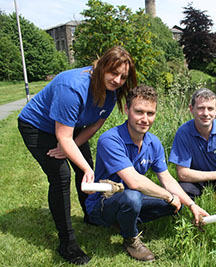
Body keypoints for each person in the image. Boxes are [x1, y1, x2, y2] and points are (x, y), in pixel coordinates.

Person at [18, 46, 136, 265]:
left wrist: (77, 154)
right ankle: (67, 243)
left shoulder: (113, 91)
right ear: (101, 67)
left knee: (84, 167)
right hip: (37, 126)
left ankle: (90, 215)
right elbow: (63, 136)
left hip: (72, 129)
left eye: (123, 77)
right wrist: (83, 165)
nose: (118, 80)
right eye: (114, 73)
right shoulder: (71, 87)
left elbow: (94, 125)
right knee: (61, 175)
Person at [85, 85, 209, 262]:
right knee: (133, 197)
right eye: (139, 112)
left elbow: (166, 178)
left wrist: (190, 205)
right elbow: (134, 182)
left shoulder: (154, 142)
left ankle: (124, 220)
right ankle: (130, 239)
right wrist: (168, 196)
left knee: (178, 203)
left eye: (150, 113)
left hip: (132, 198)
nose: (145, 119)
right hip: (102, 204)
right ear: (127, 110)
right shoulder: (110, 139)